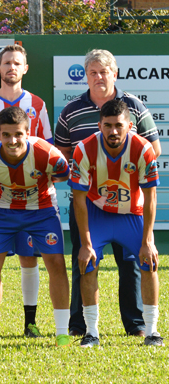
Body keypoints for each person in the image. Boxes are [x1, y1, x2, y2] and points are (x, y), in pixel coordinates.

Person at [55, 49, 161, 337]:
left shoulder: (135, 109)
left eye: (104, 71)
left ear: (114, 73)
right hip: (93, 205)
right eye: (93, 72)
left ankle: (143, 327)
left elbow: (153, 159)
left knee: (139, 262)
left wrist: (148, 238)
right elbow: (62, 154)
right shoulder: (74, 116)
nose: (99, 77)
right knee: (85, 260)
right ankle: (85, 328)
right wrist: (85, 170)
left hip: (130, 209)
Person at [0, 107, 71, 347]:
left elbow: (63, 174)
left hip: (42, 210)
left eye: (18, 134)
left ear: (28, 133)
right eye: (6, 135)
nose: (12, 140)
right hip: (3, 210)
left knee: (56, 263)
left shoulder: (49, 155)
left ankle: (62, 332)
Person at [0, 44, 53, 338]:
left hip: (31, 197)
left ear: (25, 69)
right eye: (6, 63)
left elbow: (46, 150)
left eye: (17, 63)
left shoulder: (38, 104)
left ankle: (30, 321)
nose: (11, 68)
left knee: (28, 258)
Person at [69, 99, 163, 347]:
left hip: (131, 214)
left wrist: (148, 241)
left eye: (118, 126)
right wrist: (85, 243)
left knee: (148, 261)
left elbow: (152, 197)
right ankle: (91, 332)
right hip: (96, 213)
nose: (113, 131)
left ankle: (152, 332)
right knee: (88, 263)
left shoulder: (143, 149)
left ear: (129, 126)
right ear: (99, 125)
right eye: (107, 125)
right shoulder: (84, 149)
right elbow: (78, 201)